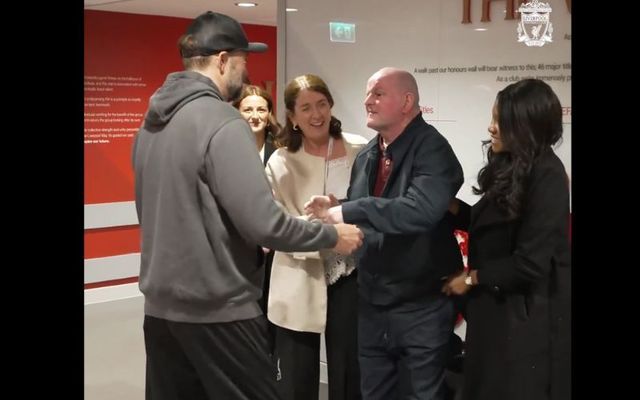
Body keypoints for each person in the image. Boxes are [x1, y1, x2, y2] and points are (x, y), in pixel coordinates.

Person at [131, 11, 363, 400]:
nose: (246, 71)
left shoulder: (150, 124)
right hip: (219, 311)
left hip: (160, 311)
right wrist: (331, 235)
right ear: (222, 61)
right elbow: (264, 224)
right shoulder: (223, 123)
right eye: (243, 60)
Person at [305, 67, 465, 400]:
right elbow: (375, 207)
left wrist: (349, 210)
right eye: (368, 94)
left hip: (421, 306)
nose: (368, 101)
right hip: (373, 305)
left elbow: (418, 210)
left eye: (378, 94)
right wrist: (338, 205)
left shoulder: (433, 149)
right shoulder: (368, 154)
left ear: (407, 101)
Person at [442, 78, 571, 400]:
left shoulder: (549, 176)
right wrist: (449, 206)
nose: (491, 128)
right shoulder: (512, 165)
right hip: (498, 313)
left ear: (526, 125)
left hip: (527, 320)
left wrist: (472, 279)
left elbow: (530, 263)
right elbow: (490, 226)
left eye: (501, 121)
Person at [265, 74, 368, 400]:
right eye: (305, 107)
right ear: (292, 117)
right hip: (298, 276)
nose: (316, 114)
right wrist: (326, 235)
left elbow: (374, 207)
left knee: (350, 370)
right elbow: (274, 225)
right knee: (297, 375)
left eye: (322, 104)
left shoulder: (360, 148)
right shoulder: (280, 161)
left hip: (352, 274)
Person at [232, 84, 282, 316]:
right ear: (237, 112)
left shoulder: (283, 149)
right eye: (247, 110)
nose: (255, 116)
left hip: (276, 242)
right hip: (238, 241)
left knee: (271, 305)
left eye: (261, 110)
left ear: (269, 112)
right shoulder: (226, 148)